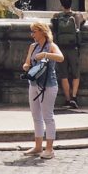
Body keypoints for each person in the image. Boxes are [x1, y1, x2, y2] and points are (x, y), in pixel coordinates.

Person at [21, 20, 62, 159]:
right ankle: (38, 146)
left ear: (42, 31)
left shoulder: (51, 46)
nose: (32, 34)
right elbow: (27, 62)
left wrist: (45, 55)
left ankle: (49, 149)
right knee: (36, 115)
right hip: (33, 83)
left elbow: (61, 57)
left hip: (48, 84)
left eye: (34, 31)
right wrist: (26, 66)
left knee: (47, 116)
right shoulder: (32, 46)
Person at [51, 0, 84, 108]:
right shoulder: (77, 16)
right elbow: (81, 25)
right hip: (73, 48)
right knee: (76, 74)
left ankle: (67, 99)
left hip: (61, 49)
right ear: (71, 4)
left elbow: (53, 30)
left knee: (63, 74)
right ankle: (74, 97)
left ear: (61, 5)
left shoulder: (56, 16)